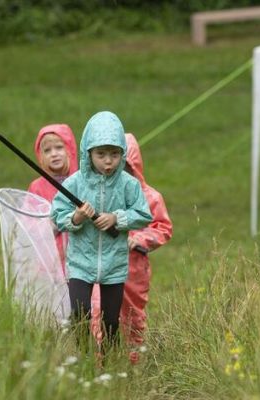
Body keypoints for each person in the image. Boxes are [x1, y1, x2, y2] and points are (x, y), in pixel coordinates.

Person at [51, 111, 152, 348]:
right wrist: (76, 218)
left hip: (114, 264)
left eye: (115, 154)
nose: (108, 161)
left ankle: (109, 367)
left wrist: (116, 219)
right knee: (80, 312)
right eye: (101, 154)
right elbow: (57, 215)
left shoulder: (128, 184)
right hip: (80, 263)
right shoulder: (75, 183)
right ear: (88, 153)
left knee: (110, 322)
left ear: (122, 154)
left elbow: (144, 214)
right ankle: (84, 361)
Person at [91, 133, 173, 364]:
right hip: (102, 265)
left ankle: (131, 361)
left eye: (124, 164)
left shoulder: (151, 197)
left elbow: (163, 228)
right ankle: (100, 360)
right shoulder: (99, 194)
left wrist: (139, 239)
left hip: (133, 271)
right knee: (98, 310)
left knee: (131, 315)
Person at [27, 124, 78, 267]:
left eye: (59, 147)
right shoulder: (37, 188)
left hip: (82, 264)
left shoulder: (82, 183)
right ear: (40, 156)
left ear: (70, 149)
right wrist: (53, 224)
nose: (54, 154)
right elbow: (30, 226)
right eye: (47, 150)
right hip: (50, 264)